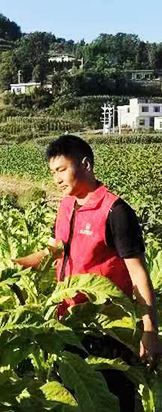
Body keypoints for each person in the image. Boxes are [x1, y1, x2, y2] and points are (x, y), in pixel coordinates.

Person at [12, 135, 159, 410]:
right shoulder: (67, 205)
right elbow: (56, 249)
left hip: (107, 329)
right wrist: (16, 264)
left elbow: (139, 274)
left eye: (62, 170)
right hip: (71, 322)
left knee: (112, 398)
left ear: (86, 164)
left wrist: (150, 329)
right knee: (76, 397)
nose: (56, 179)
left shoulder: (116, 211)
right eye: (52, 172)